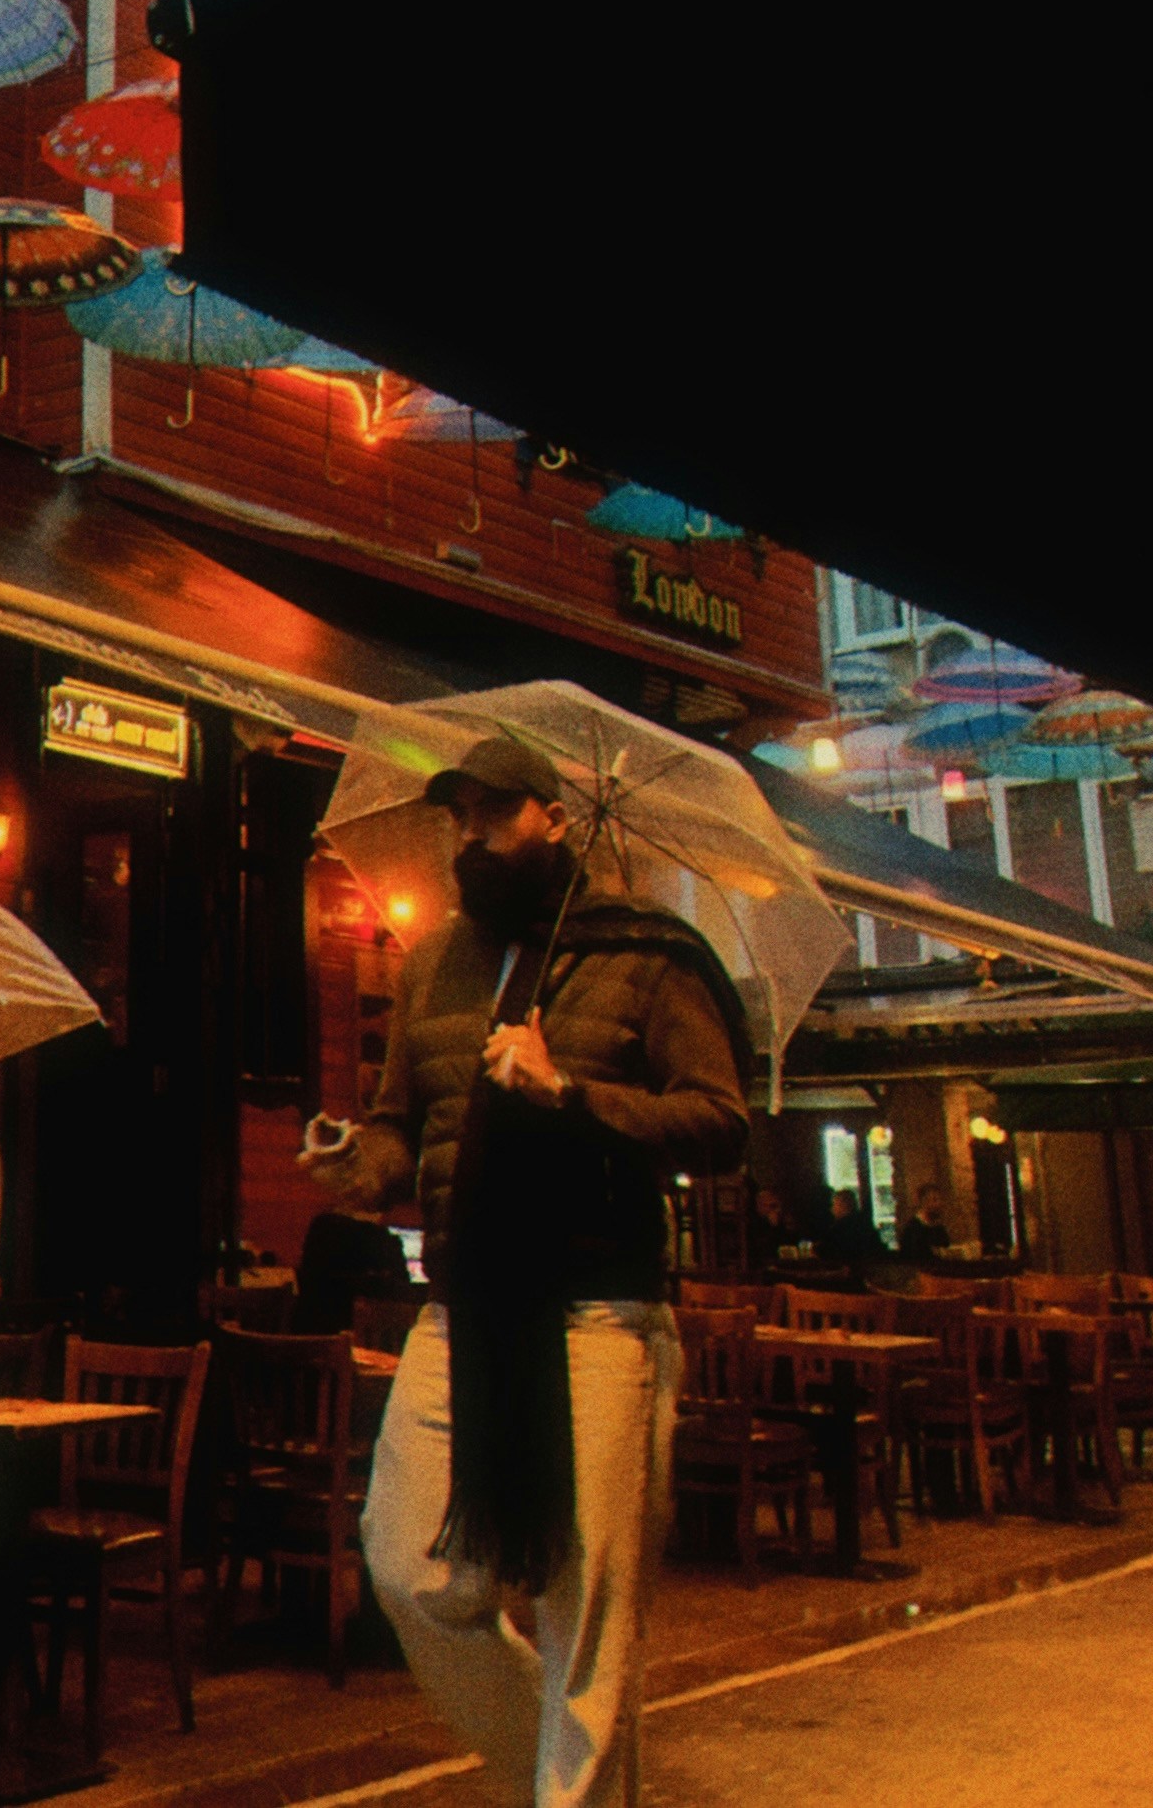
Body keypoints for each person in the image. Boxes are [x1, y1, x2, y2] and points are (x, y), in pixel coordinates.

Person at [304, 736, 750, 1808]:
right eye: (457, 817)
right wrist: (354, 1162)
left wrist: (572, 1095)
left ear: (553, 819)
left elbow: (720, 1123)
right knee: (408, 1567)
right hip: (462, 1304)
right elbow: (402, 1125)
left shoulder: (646, 953)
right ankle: (543, 1784)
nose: (470, 836)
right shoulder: (433, 962)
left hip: (601, 1309)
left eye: (494, 814)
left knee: (582, 1615)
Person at [297, 1152, 418, 1333]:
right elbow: (403, 1296)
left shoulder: (322, 1227)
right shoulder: (379, 1240)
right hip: (358, 1342)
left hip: (311, 1339)